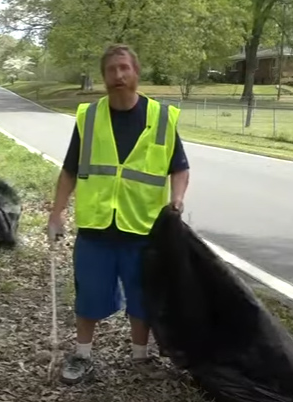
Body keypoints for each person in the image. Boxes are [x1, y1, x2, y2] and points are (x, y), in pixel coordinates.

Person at [47, 43, 190, 384]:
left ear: (136, 73)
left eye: (124, 68)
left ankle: (139, 358)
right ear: (104, 77)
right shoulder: (90, 117)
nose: (118, 76)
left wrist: (178, 199)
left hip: (142, 228)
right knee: (89, 295)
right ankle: (82, 355)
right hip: (97, 227)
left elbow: (180, 168)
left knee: (142, 298)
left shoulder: (162, 118)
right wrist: (57, 213)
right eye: (111, 70)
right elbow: (69, 169)